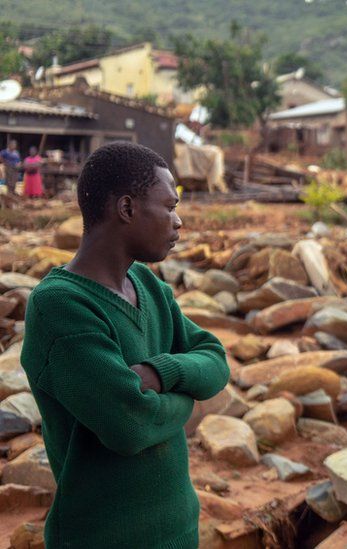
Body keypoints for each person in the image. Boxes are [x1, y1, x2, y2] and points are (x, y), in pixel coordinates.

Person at [21, 142, 230, 548]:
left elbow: (217, 360)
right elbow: (130, 426)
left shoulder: (148, 285)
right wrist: (189, 400)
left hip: (179, 528)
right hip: (103, 537)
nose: (178, 221)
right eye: (169, 207)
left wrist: (160, 374)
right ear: (127, 209)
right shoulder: (60, 306)